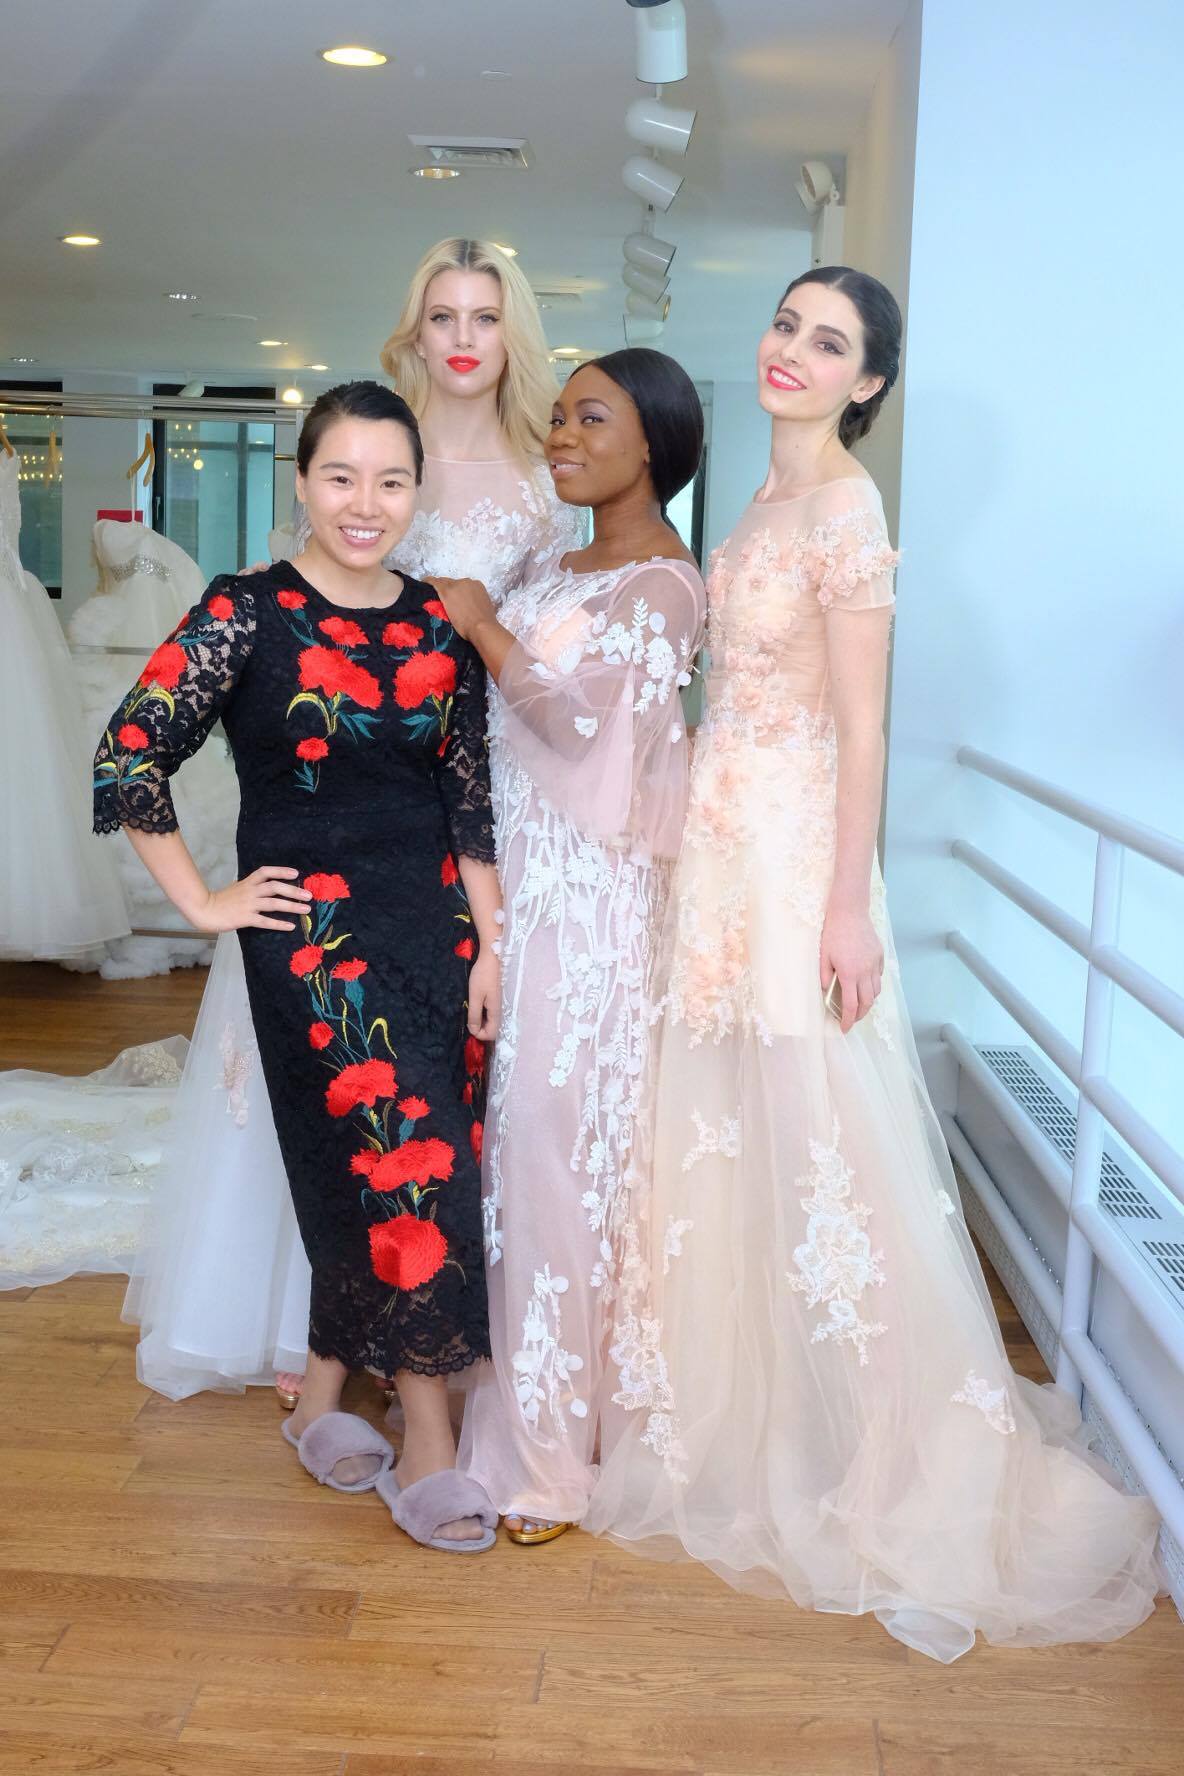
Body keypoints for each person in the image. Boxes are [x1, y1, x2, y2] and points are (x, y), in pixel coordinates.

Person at [583, 268, 1162, 1656]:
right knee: (725, 1135)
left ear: (869, 385)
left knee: (830, 1143)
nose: (792, 351)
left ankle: (902, 1457)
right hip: (720, 850)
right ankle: (743, 1420)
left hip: (793, 867)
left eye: (828, 342)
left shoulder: (846, 508)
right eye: (787, 325)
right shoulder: (762, 501)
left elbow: (861, 727)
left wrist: (846, 908)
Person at [122, 239, 585, 1405]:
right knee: (322, 1088)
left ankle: (411, 1342)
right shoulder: (363, 446)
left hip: (456, 805)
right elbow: (209, 688)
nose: (464, 337)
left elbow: (521, 662)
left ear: (513, 334)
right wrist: (206, 897)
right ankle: (312, 1333)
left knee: (435, 1096)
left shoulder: (541, 482)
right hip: (320, 834)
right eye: (444, 314)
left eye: (486, 315)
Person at [95, 380, 501, 1550]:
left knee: (388, 1168)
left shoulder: (438, 621)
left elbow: (467, 796)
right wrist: (203, 905)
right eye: (341, 477)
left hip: (436, 934)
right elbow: (130, 755)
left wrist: (493, 943)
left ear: (416, 492)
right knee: (400, 1164)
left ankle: (323, 1398)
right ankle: (428, 1438)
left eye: (391, 481)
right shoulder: (247, 611)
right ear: (303, 482)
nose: (365, 504)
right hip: (312, 943)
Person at [435, 348, 707, 1543]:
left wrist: (483, 626)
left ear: (652, 441)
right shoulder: (554, 561)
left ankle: (554, 1454)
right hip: (512, 881)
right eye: (556, 417)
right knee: (510, 1156)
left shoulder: (667, 586)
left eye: (589, 418)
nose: (560, 435)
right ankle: (500, 1392)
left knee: (556, 1156)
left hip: (589, 906)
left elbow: (586, 729)